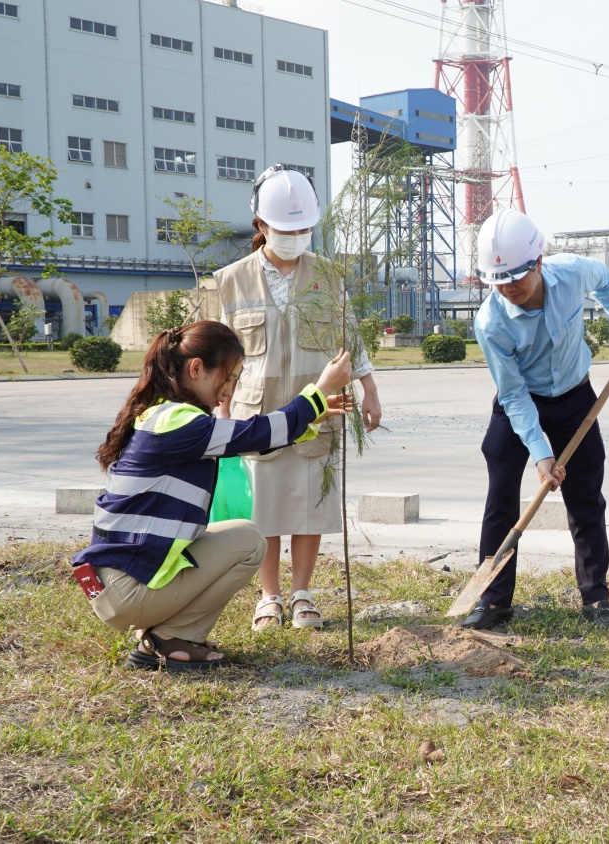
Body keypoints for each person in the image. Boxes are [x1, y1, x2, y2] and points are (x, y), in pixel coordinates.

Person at [72, 320, 354, 671]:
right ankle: (172, 637)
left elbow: (251, 441)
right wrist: (320, 389)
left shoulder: (159, 414)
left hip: (115, 581)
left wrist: (308, 417)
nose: (230, 390)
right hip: (127, 590)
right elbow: (257, 434)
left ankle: (162, 630)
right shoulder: (179, 421)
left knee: (242, 535)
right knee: (249, 542)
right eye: (230, 376)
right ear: (196, 369)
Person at [461, 208, 609, 630]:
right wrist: (542, 454)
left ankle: (596, 598)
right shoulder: (491, 322)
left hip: (574, 397)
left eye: (515, 279)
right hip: (519, 405)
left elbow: (604, 280)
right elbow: (512, 393)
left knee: (585, 499)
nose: (507, 289)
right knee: (501, 498)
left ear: (539, 261)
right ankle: (493, 600)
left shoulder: (572, 272)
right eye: (498, 282)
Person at [215, 165, 381, 632]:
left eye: (303, 228)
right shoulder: (231, 280)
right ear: (261, 226)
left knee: (310, 504)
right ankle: (269, 598)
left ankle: (303, 592)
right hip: (259, 414)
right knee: (263, 508)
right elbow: (216, 350)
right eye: (285, 229)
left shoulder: (328, 275)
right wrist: (220, 408)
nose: (294, 236)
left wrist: (369, 389)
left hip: (320, 411)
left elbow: (352, 337)